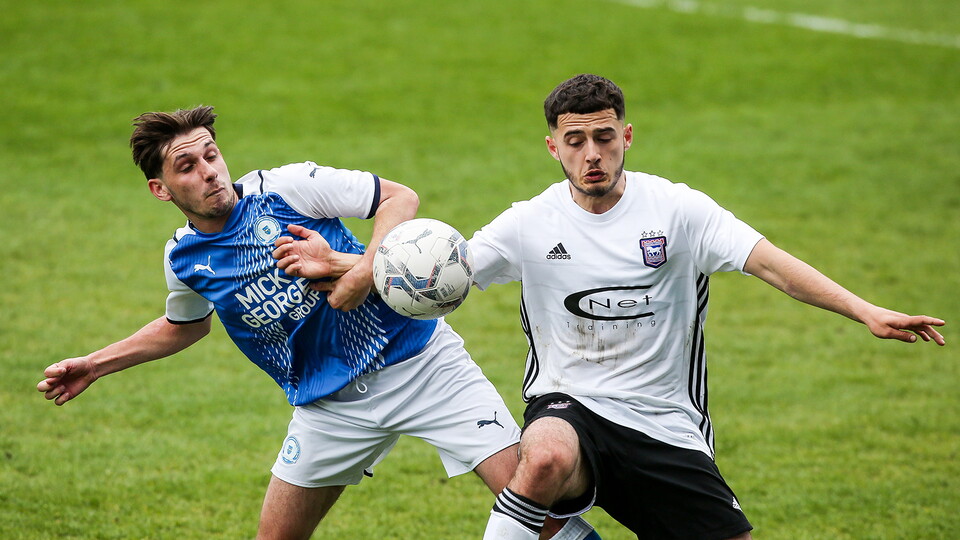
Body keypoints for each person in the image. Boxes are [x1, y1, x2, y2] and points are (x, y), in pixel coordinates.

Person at [36, 106, 599, 540]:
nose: (209, 172)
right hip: (330, 406)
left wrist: (362, 273)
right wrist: (95, 364)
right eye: (187, 166)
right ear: (161, 189)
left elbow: (399, 199)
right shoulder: (183, 258)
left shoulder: (287, 188)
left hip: (422, 365)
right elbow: (185, 325)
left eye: (210, 155)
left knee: (534, 512)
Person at [461, 74, 946, 539]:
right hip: (571, 405)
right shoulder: (528, 223)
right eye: (575, 141)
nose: (592, 155)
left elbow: (772, 265)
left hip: (663, 420)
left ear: (627, 136)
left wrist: (866, 311)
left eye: (605, 138)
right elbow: (446, 278)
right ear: (553, 147)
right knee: (544, 456)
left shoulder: (677, 209)